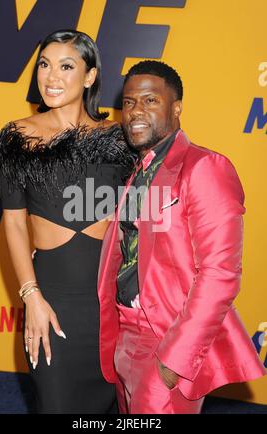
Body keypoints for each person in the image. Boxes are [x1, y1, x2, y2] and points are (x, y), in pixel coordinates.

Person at [97, 60, 266, 414]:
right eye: (128, 102)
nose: (135, 111)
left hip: (165, 341)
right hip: (125, 335)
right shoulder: (137, 171)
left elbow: (220, 275)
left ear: (177, 108)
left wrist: (176, 358)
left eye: (150, 101)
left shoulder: (205, 167)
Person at [0, 29, 134, 414]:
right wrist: (31, 297)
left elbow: (137, 224)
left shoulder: (119, 139)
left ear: (89, 76)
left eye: (67, 66)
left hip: (111, 309)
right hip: (53, 303)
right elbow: (14, 224)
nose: (51, 77)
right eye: (45, 65)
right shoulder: (19, 136)